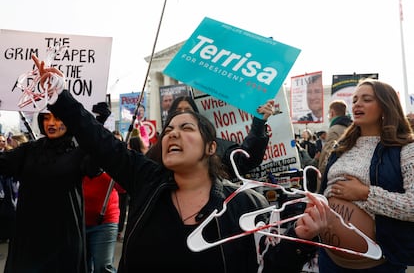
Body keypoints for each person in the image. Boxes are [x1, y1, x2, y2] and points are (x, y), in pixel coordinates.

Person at [35, 52, 330, 272]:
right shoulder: (145, 179)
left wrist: (300, 238)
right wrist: (59, 95)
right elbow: (98, 140)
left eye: (187, 128)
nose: (173, 134)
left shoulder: (244, 205)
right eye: (169, 130)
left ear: (211, 147)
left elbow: (267, 266)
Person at [318, 79, 414, 272]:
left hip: (380, 265)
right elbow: (324, 192)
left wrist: (365, 193)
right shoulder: (341, 147)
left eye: (366, 99)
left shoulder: (406, 149)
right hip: (329, 260)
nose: (357, 104)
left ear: (386, 106)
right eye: (354, 100)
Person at [0, 110, 87, 272]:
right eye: (46, 118)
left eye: (58, 117)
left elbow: (98, 165)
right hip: (30, 237)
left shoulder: (80, 152)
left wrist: (97, 127)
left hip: (64, 237)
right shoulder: (28, 150)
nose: (51, 123)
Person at [153, 95, 273, 180]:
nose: (183, 113)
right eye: (178, 111)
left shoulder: (220, 148)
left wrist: (258, 123)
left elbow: (246, 159)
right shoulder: (155, 155)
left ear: (210, 148)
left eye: (188, 110)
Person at [83, 102, 119, 273]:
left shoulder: (113, 155)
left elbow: (123, 187)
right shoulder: (77, 150)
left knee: (103, 268)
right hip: (77, 220)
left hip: (105, 221)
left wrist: (119, 166)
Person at [317, 99, 353, 177]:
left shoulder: (334, 130)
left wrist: (321, 174)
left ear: (332, 113)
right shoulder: (352, 128)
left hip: (333, 175)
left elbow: (327, 155)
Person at [111, 130, 128, 242]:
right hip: (111, 190)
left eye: (119, 141)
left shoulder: (126, 156)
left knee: (121, 211)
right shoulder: (105, 156)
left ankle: (119, 231)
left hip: (122, 190)